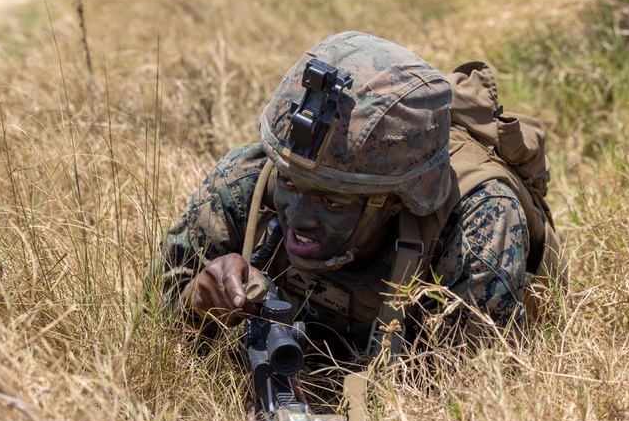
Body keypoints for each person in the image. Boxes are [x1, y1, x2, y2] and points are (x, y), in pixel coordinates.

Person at [155, 31, 547, 362]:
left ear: (395, 201)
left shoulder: (478, 223)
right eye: (290, 184)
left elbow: (470, 391)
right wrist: (198, 305)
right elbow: (152, 330)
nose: (298, 217)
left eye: (332, 202)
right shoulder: (247, 177)